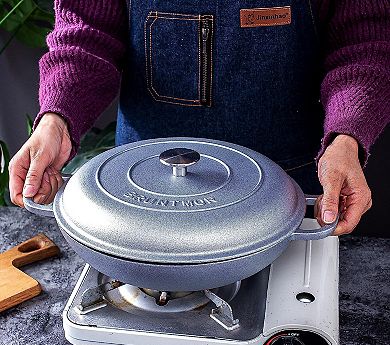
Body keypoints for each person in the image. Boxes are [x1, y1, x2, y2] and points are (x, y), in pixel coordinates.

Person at [9, 1, 389, 235]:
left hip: (293, 197)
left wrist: (347, 137)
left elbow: (366, 41)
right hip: (139, 204)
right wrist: (57, 118)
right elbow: (87, 33)